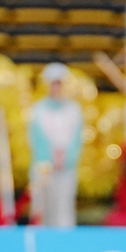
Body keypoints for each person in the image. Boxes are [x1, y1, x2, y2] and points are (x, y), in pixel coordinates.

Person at [28, 63, 84, 228]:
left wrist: (66, 157)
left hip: (66, 167)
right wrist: (49, 158)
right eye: (53, 83)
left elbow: (76, 138)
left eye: (59, 83)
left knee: (64, 208)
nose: (56, 87)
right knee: (42, 208)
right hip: (44, 166)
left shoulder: (74, 109)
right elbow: (35, 138)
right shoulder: (38, 109)